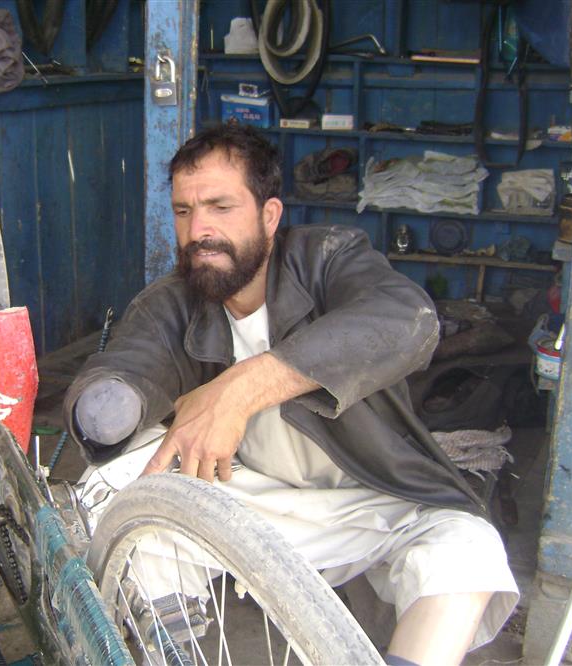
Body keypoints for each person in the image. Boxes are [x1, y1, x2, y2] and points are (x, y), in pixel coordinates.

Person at [64, 124, 518, 665]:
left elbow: (406, 320)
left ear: (270, 216)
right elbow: (127, 364)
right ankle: (158, 646)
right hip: (247, 500)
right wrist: (109, 405)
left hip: (368, 497)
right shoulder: (170, 300)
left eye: (220, 207)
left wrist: (241, 387)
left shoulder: (330, 257)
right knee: (115, 491)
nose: (198, 230)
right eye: (184, 212)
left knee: (467, 548)